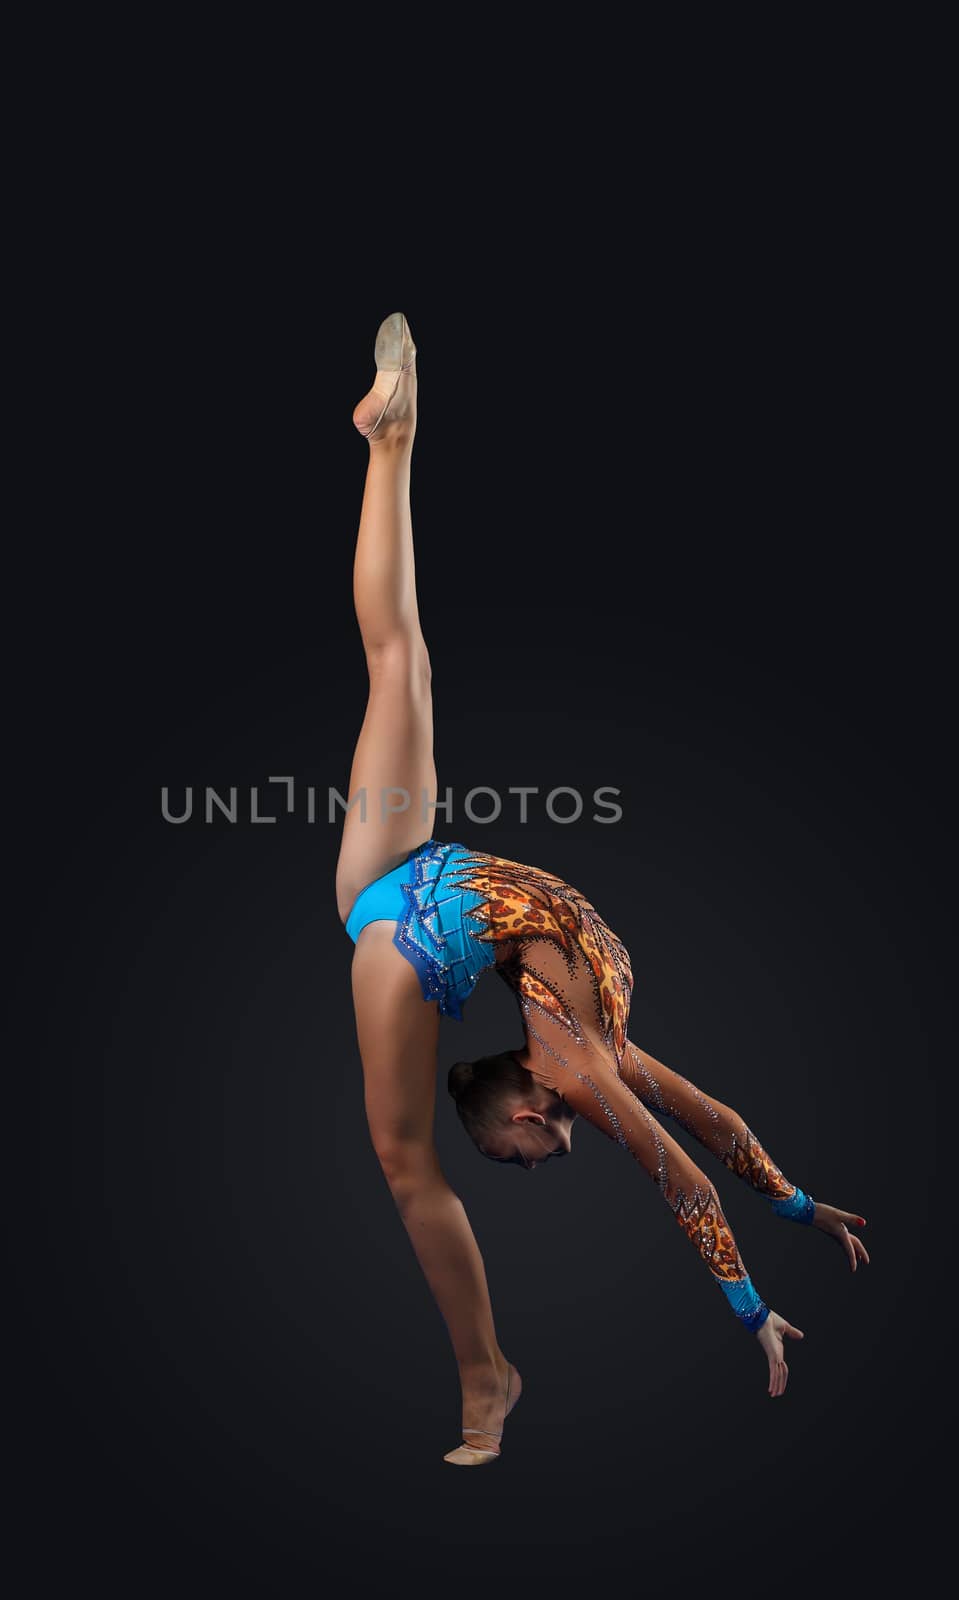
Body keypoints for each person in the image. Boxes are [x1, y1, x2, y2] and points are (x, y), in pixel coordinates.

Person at [335, 313, 870, 1467]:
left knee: (401, 658)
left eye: (531, 1159)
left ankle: (487, 1379)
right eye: (540, 1157)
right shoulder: (588, 1061)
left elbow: (700, 1142)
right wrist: (776, 1246)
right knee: (400, 657)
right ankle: (394, 445)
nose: (551, 1157)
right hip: (403, 887)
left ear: (524, 1104)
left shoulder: (582, 1042)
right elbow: (695, 1159)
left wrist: (786, 1215)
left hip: (412, 901)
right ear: (531, 1114)